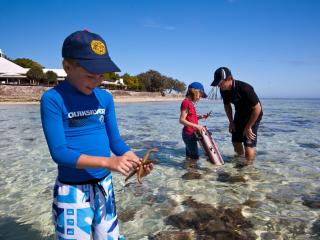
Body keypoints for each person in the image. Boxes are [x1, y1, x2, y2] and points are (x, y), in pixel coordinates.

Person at [40, 30, 153, 240]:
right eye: (90, 75)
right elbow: (59, 153)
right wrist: (108, 162)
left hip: (104, 187)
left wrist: (134, 160)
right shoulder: (53, 99)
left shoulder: (105, 98)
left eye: (101, 75)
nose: (97, 81)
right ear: (67, 67)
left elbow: (115, 141)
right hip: (72, 190)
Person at [210, 67, 263, 164]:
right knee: (236, 142)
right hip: (239, 114)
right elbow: (227, 106)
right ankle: (239, 161)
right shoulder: (224, 90)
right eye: (218, 84)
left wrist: (248, 127)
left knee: (248, 145)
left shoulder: (245, 88)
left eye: (220, 83)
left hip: (253, 115)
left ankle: (248, 169)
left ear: (229, 79)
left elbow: (257, 108)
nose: (219, 86)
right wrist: (231, 122)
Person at [179, 82, 210, 160]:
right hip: (188, 135)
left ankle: (188, 170)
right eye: (200, 95)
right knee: (194, 157)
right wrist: (197, 126)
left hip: (191, 134)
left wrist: (201, 117)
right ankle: (192, 171)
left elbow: (190, 118)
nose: (200, 98)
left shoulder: (190, 103)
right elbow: (182, 120)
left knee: (189, 156)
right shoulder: (186, 102)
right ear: (195, 92)